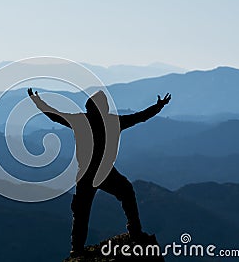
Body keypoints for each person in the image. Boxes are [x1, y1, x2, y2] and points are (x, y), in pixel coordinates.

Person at [27, 88, 171, 257]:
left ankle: (77, 248)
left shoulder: (81, 121)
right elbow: (139, 117)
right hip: (104, 171)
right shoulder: (110, 122)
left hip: (87, 173)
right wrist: (158, 106)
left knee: (82, 211)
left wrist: (37, 102)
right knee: (124, 193)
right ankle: (134, 231)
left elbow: (55, 115)